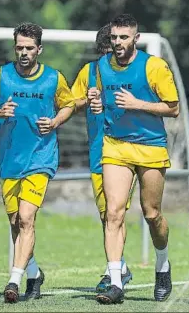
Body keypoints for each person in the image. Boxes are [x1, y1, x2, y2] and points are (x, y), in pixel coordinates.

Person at [87, 14, 179, 304]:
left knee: (151, 214)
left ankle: (162, 265)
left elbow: (173, 108)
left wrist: (138, 104)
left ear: (135, 39)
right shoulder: (103, 66)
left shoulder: (154, 66)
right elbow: (105, 99)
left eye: (123, 37)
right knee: (113, 213)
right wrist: (97, 100)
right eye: (114, 37)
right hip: (115, 146)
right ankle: (116, 282)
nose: (117, 43)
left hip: (151, 147)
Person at [0, 22, 76, 303]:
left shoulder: (53, 78)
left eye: (29, 48)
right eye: (19, 48)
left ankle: (13, 281)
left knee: (26, 218)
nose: (23, 52)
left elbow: (70, 103)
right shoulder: (0, 76)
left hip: (41, 157)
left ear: (40, 49)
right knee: (15, 223)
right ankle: (34, 273)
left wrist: (56, 120)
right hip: (10, 159)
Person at [71, 23, 136, 293]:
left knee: (115, 214)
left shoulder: (134, 71)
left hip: (127, 153)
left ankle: (115, 273)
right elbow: (69, 103)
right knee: (107, 216)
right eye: (108, 51)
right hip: (99, 154)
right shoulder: (90, 72)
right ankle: (119, 267)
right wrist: (86, 99)